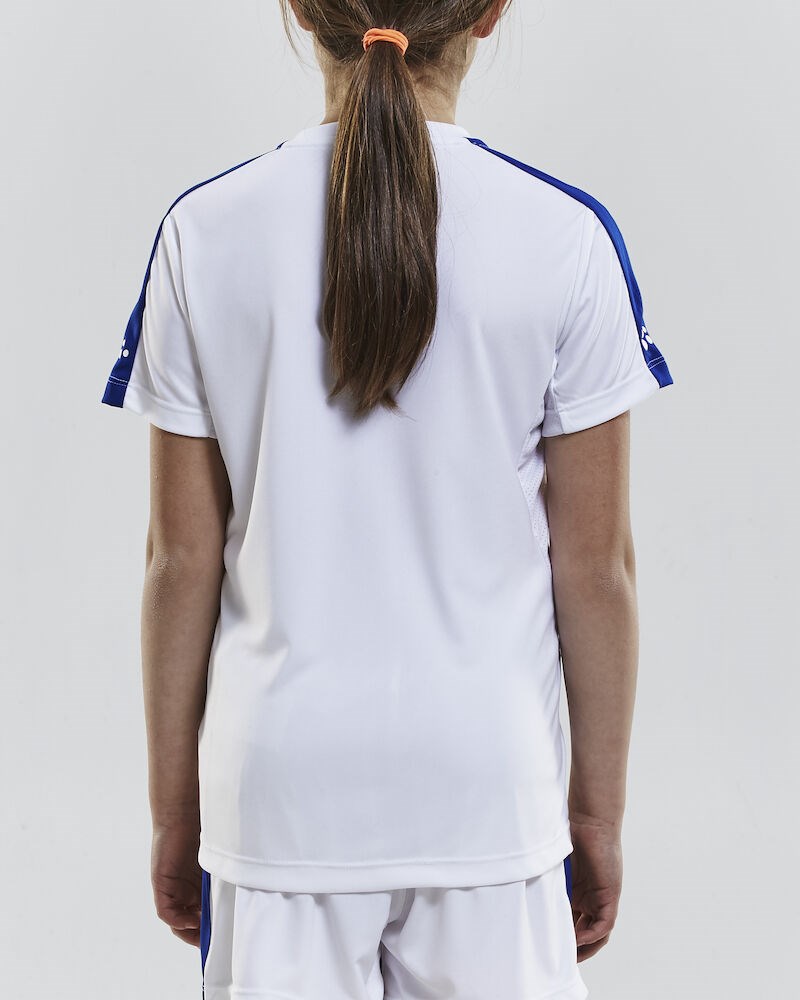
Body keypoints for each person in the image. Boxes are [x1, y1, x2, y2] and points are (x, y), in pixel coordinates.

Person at [100, 1, 673, 997]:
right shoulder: (566, 237)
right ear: (488, 14)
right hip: (488, 791)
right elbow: (595, 569)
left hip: (278, 795)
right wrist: (596, 814)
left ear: (298, 9)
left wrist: (175, 810)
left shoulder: (203, 233)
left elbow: (179, 560)